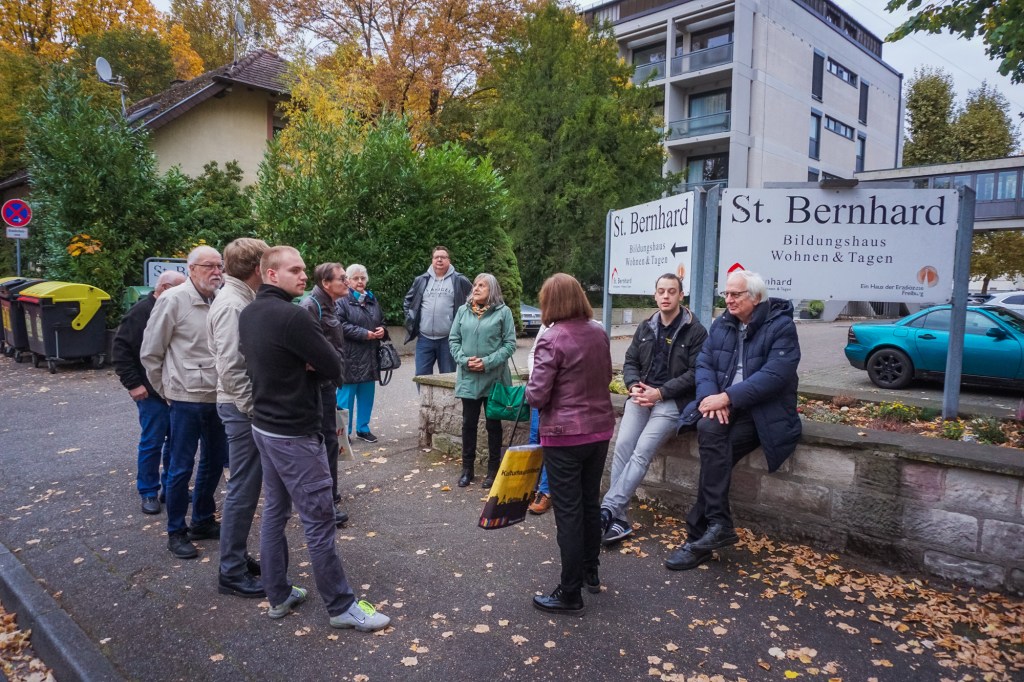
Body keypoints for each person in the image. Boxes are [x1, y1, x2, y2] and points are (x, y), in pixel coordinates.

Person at [238, 246, 390, 632]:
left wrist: (309, 363)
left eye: (304, 269)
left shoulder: (250, 312)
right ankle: (341, 606)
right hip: (294, 432)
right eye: (294, 270)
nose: (303, 275)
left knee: (275, 512)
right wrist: (311, 363)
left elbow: (264, 361)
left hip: (265, 426)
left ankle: (277, 594)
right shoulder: (294, 317)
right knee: (319, 520)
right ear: (271, 274)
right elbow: (335, 366)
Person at [665, 270, 801, 572]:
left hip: (763, 412)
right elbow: (704, 364)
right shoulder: (723, 324)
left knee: (717, 457)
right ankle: (717, 526)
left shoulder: (781, 326)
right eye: (726, 294)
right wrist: (711, 398)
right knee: (708, 427)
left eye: (735, 294)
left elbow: (775, 375)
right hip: (725, 405)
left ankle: (698, 536)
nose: (728, 299)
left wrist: (727, 397)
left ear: (755, 297)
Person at [525, 273, 615, 615]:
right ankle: (591, 571)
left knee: (568, 513)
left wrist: (528, 388)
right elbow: (604, 376)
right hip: (599, 430)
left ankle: (570, 592)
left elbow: (537, 395)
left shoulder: (551, 338)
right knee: (589, 503)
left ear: (550, 302)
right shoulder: (598, 332)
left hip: (564, 436)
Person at [600, 273, 707, 545]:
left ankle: (607, 510)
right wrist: (633, 385)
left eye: (671, 291)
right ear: (655, 295)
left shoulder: (695, 330)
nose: (666, 296)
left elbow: (696, 373)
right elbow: (630, 361)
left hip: (671, 401)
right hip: (642, 395)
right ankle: (619, 519)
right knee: (623, 446)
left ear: (681, 295)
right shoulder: (646, 326)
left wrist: (660, 393)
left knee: (642, 452)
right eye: (661, 291)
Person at [141, 245, 229, 560]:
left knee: (214, 462)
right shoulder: (173, 300)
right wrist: (166, 391)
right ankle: (176, 531)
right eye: (209, 266)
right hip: (184, 398)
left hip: (218, 396)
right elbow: (150, 353)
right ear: (190, 269)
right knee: (180, 467)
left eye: (219, 266)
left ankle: (202, 520)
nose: (216, 272)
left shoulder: (221, 299)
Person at [207, 237, 268, 598]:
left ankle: (236, 558)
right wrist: (253, 409)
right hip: (241, 408)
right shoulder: (233, 304)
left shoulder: (240, 298)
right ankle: (231, 570)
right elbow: (231, 366)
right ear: (258, 268)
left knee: (245, 487)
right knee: (243, 488)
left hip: (240, 406)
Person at [112, 269, 186, 516]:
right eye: (179, 288)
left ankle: (170, 488)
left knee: (175, 442)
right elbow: (121, 350)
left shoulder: (172, 308)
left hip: (174, 390)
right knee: (152, 442)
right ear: (164, 288)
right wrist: (133, 384)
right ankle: (148, 491)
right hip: (151, 392)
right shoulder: (140, 312)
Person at [448, 273, 517, 489]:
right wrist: (465, 360)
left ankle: (493, 471)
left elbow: (509, 344)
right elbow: (454, 339)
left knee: (493, 425)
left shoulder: (503, 312)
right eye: (475, 285)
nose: (476, 288)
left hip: (494, 378)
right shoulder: (463, 311)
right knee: (468, 424)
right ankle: (467, 470)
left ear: (492, 290)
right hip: (469, 376)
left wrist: (487, 362)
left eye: (482, 286)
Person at [299, 262, 351, 527]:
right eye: (342, 278)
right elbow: (304, 346)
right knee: (323, 441)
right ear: (326, 283)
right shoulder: (311, 306)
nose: (347, 281)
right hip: (317, 385)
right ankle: (324, 502)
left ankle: (330, 494)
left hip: (327, 382)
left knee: (329, 439)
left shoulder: (330, 304)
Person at [403, 245, 473, 377]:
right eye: (436, 257)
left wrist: (464, 326)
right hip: (424, 339)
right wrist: (410, 319)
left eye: (443, 257)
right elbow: (408, 301)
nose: (439, 260)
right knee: (421, 377)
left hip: (448, 340)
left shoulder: (459, 280)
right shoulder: (421, 280)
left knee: (448, 378)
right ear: (432, 260)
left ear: (449, 260)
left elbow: (473, 301)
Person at [336, 264, 385, 443]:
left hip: (370, 356)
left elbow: (382, 320)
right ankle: (343, 433)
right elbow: (340, 325)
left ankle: (363, 428)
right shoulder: (341, 300)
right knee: (345, 399)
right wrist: (364, 333)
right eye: (355, 278)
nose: (360, 281)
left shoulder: (371, 299)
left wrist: (383, 330)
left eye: (363, 278)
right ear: (348, 281)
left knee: (366, 396)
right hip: (349, 357)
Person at [526, 324, 552, 515]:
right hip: (540, 388)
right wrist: (535, 377)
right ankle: (529, 487)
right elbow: (533, 353)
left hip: (559, 395)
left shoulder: (590, 326)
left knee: (549, 441)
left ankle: (546, 492)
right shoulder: (546, 325)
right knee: (535, 438)